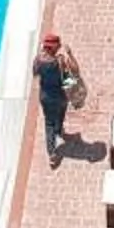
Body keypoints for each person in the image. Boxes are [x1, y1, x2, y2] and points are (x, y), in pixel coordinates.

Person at [33, 31, 85, 164]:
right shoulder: (60, 61)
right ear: (55, 47)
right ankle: (59, 131)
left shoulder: (38, 60)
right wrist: (70, 54)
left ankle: (52, 153)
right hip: (61, 96)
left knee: (48, 122)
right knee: (61, 113)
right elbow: (75, 71)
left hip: (45, 96)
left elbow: (35, 73)